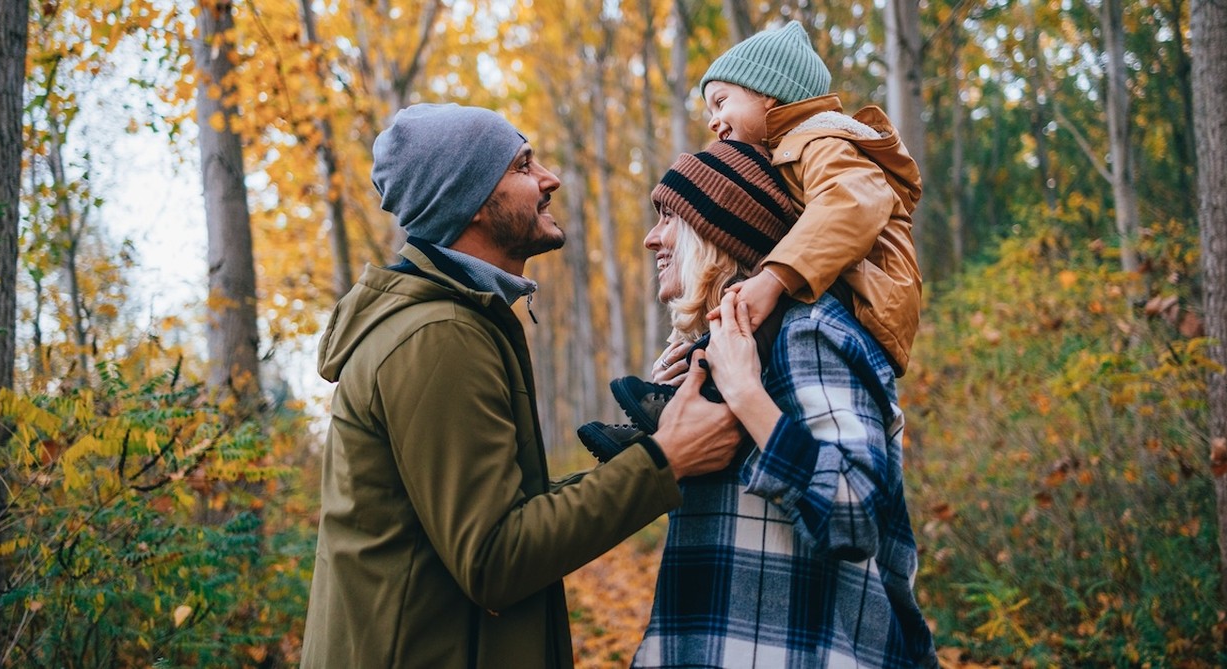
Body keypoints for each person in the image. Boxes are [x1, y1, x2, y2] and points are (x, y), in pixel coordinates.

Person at [298, 103, 743, 669]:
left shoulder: (449, 322)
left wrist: (649, 451)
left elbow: (503, 518)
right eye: (523, 165)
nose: (549, 178)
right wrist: (665, 460)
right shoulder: (438, 336)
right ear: (475, 202)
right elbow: (494, 559)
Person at [629, 140, 938, 668]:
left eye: (669, 217)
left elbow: (856, 511)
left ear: (718, 230)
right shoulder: (734, 346)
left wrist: (749, 396)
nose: (651, 237)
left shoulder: (809, 330)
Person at [650, 20, 923, 393]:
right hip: (835, 282)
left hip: (861, 293)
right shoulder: (789, 152)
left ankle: (690, 386)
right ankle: (678, 384)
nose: (713, 120)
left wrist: (774, 278)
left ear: (769, 95)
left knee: (763, 316)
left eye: (721, 102)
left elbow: (851, 205)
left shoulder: (823, 142)